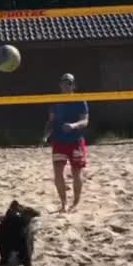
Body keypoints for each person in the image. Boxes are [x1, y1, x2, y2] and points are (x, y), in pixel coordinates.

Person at [43, 72, 89, 212]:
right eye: (64, 82)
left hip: (76, 141)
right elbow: (51, 121)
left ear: (74, 85)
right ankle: (63, 203)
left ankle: (76, 203)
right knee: (58, 174)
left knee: (77, 174)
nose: (66, 85)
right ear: (60, 85)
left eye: (69, 83)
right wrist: (46, 134)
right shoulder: (56, 101)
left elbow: (85, 121)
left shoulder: (80, 100)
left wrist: (73, 125)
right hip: (59, 142)